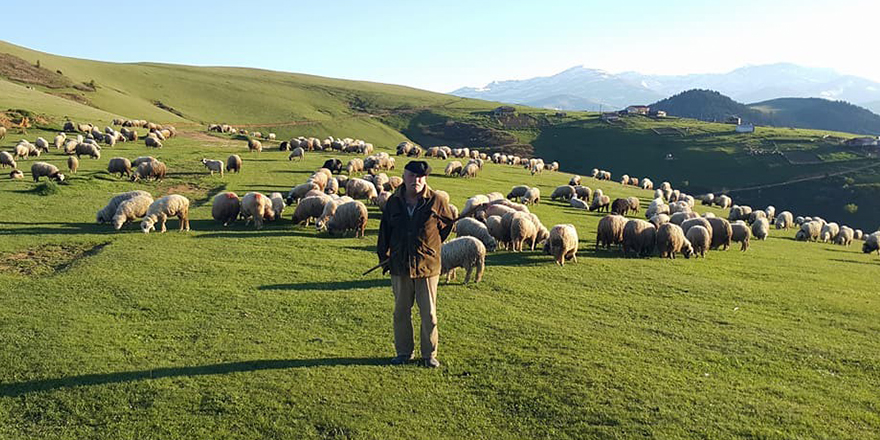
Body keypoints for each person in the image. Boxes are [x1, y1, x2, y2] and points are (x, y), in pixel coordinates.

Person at [376, 160, 455, 368]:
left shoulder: (437, 200)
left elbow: (445, 227)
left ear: (425, 178)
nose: (416, 180)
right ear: (404, 176)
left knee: (429, 313)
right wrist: (384, 258)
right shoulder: (394, 202)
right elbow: (385, 232)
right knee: (401, 311)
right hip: (400, 265)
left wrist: (430, 247)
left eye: (420, 177)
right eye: (412, 176)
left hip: (427, 267)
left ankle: (429, 354)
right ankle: (403, 352)